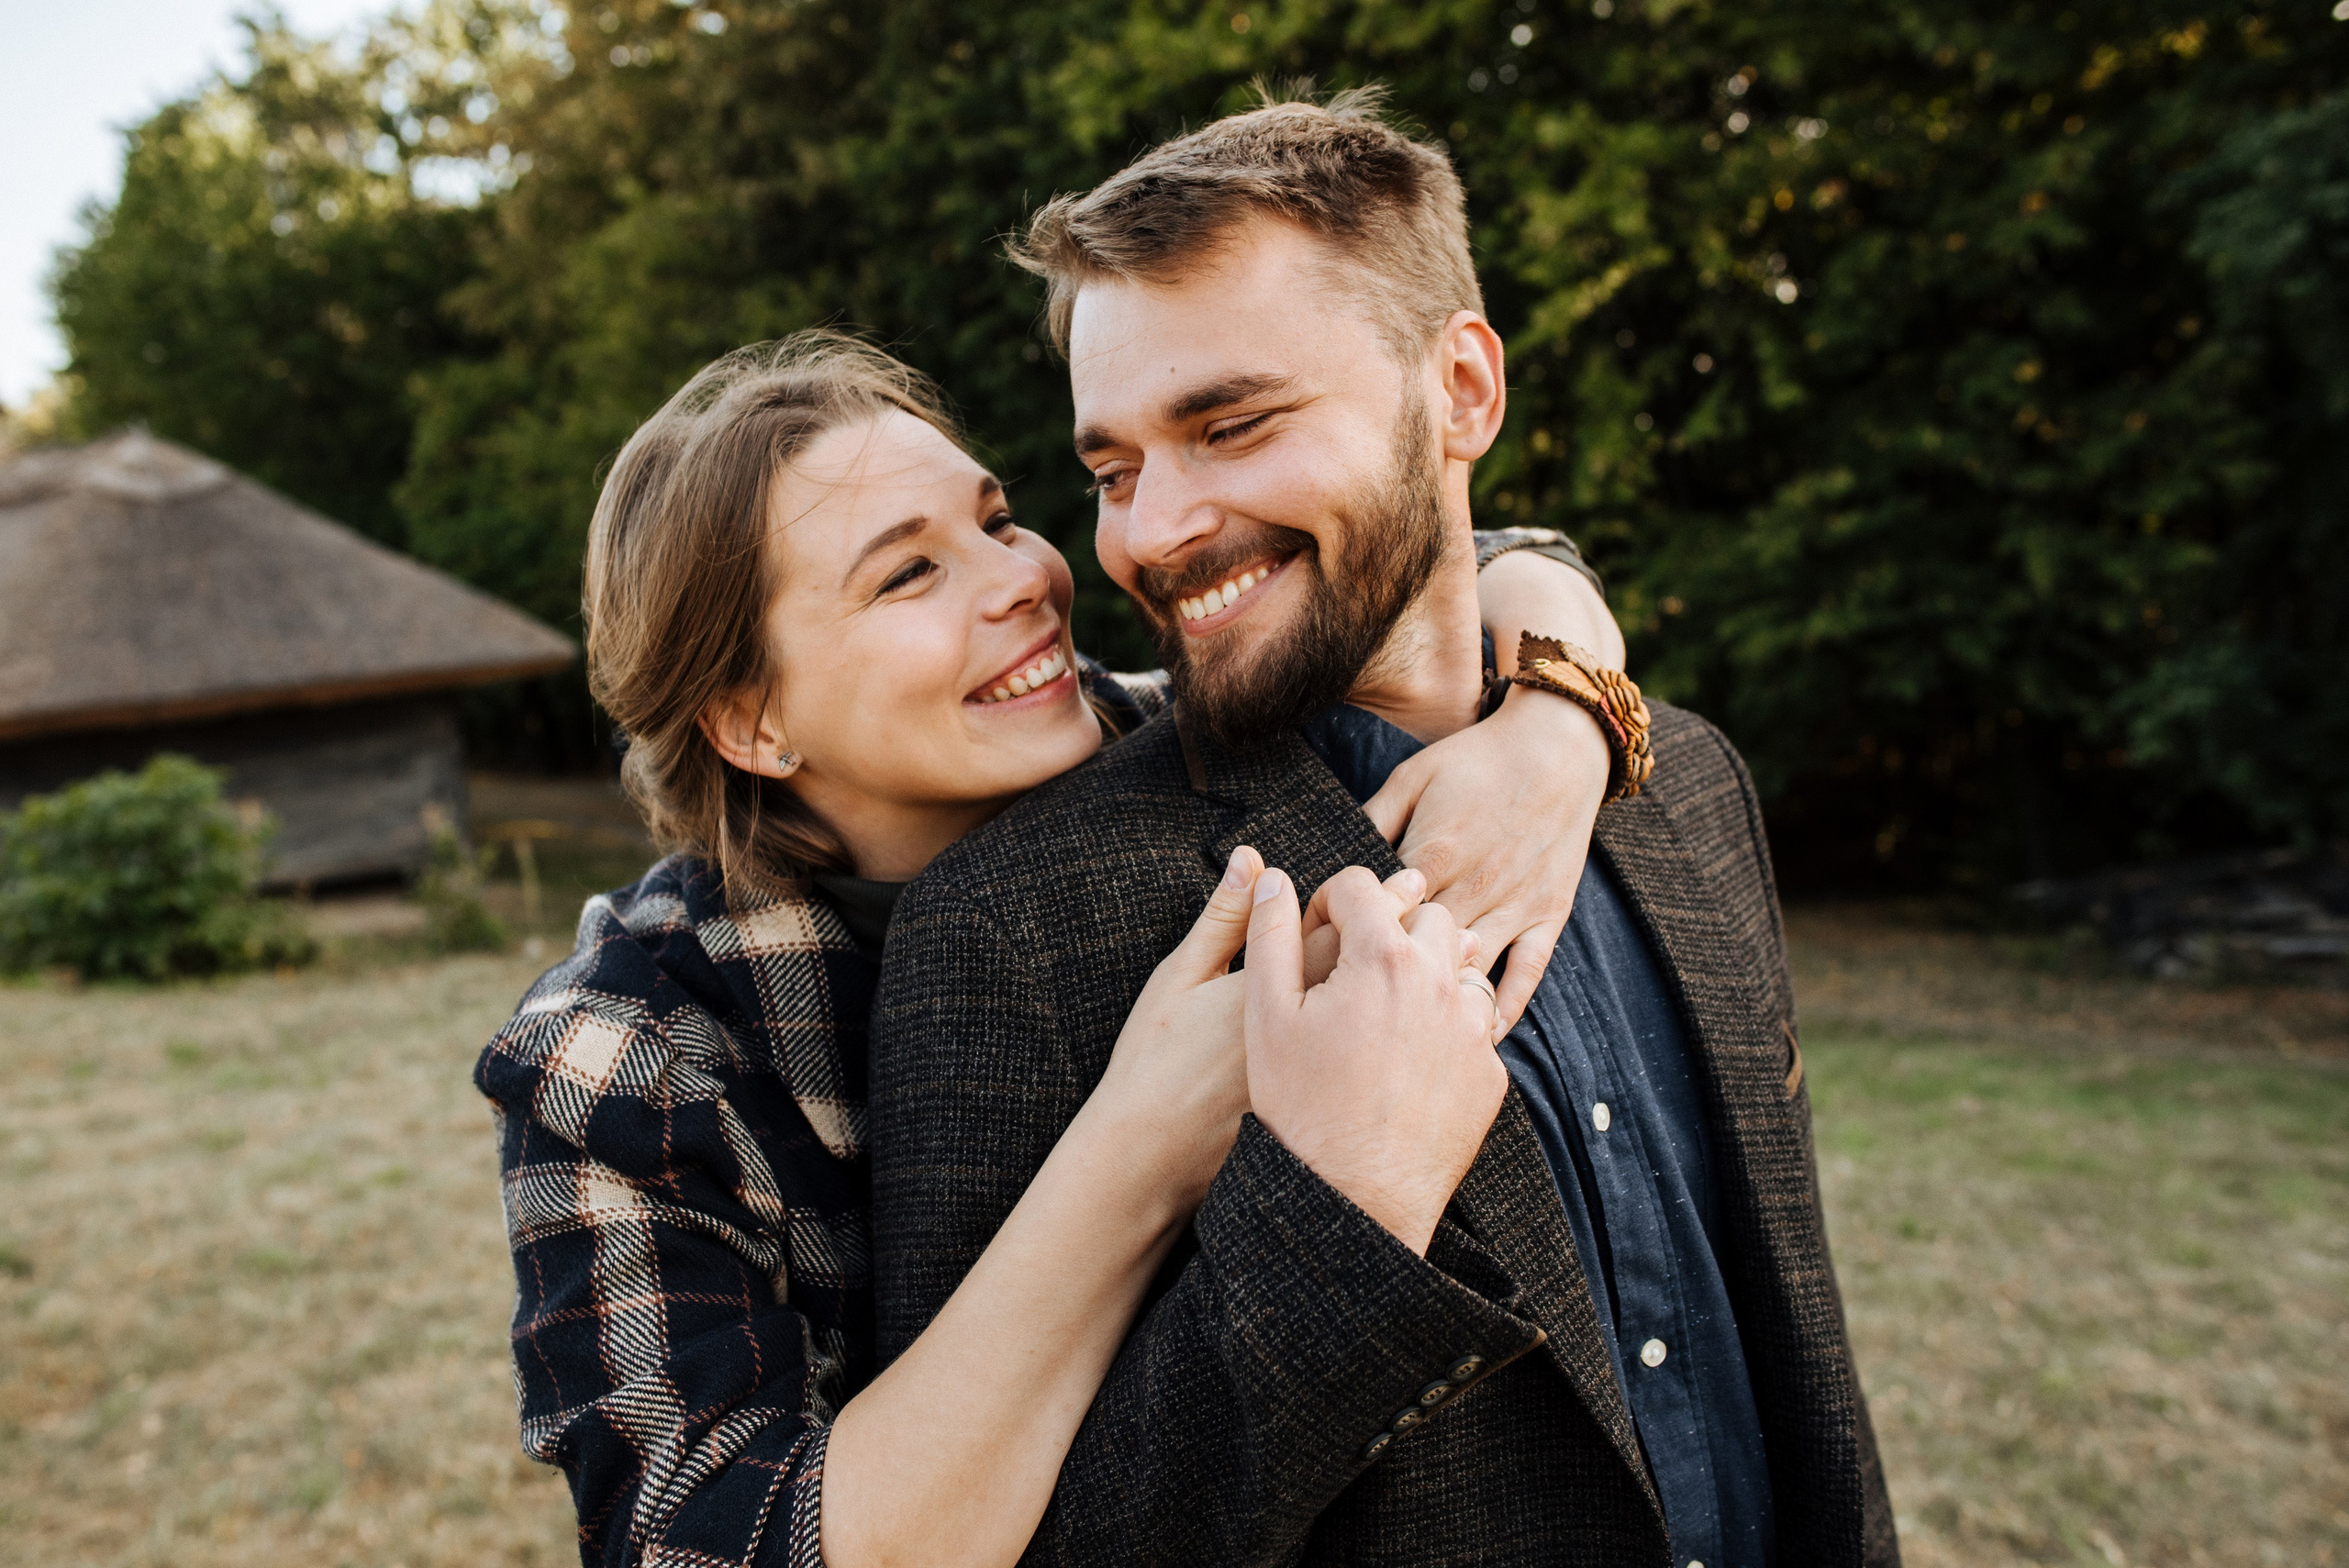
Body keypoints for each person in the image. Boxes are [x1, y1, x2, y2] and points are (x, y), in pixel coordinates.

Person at [869, 91, 1901, 1568]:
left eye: (1230, 425)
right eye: (1113, 471)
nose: (1149, 532)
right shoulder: (1011, 929)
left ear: (1462, 391)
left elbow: (1798, 1339)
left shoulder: (1685, 781)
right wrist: (1336, 1215)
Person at [475, 331, 1630, 1568]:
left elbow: (1454, 560)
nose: (1024, 577)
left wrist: (1564, 715)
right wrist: (1142, 1141)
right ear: (751, 721)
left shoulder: (1177, 734)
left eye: (997, 520)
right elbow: (707, 1544)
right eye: (909, 573)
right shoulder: (625, 1055)